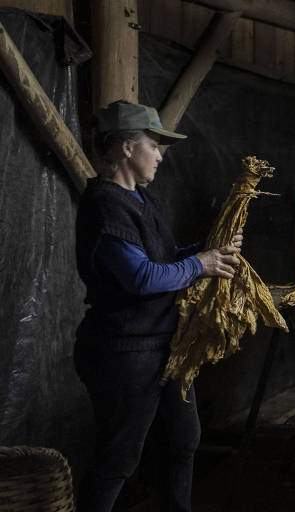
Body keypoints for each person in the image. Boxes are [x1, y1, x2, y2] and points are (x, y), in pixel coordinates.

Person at [73, 100, 242, 511]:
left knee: (183, 440)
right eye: (153, 145)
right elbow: (142, 278)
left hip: (166, 344)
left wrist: (210, 250)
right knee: (118, 459)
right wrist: (200, 264)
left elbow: (163, 260)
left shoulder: (142, 200)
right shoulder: (105, 205)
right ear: (126, 147)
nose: (160, 155)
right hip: (125, 351)